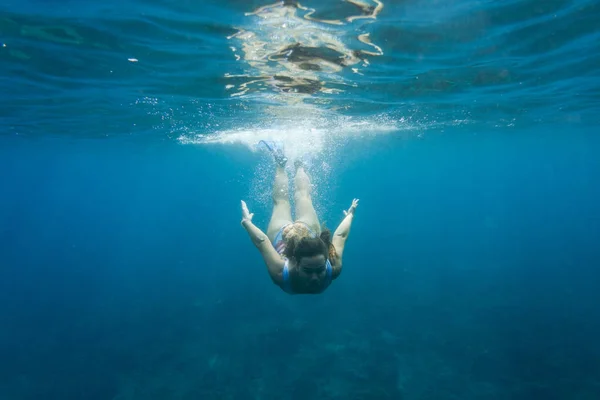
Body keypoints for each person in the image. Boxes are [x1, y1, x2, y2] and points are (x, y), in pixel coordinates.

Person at [241, 143, 358, 294]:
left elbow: (262, 241)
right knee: (301, 197)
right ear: (295, 263)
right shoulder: (284, 272)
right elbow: (340, 236)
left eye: (320, 270)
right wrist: (350, 215)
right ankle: (298, 164)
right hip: (303, 229)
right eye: (308, 271)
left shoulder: (280, 274)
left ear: (325, 263)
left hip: (281, 234)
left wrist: (247, 223)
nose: (315, 277)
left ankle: (283, 163)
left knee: (283, 202)